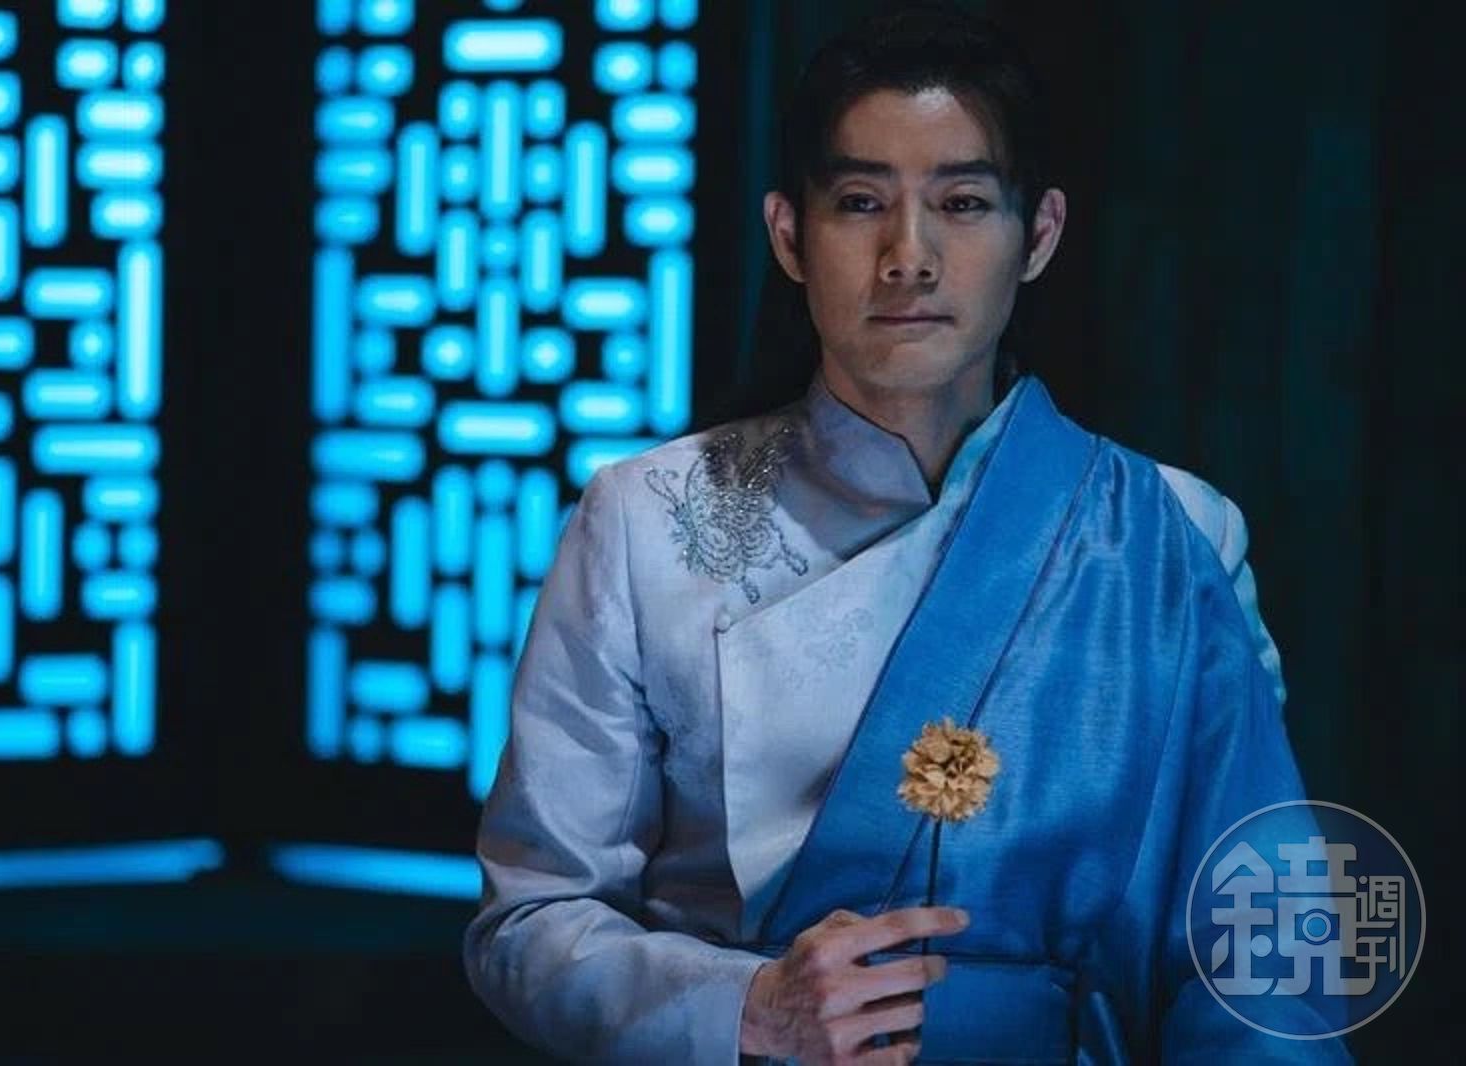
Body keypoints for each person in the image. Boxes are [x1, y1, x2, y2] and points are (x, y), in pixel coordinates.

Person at [465, 5, 1347, 1063]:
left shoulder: (1174, 536)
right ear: (789, 235)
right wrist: (751, 1007)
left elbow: (1259, 939)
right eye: (860, 203)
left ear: (1040, 234)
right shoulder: (643, 521)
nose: (908, 256)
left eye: (962, 204)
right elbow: (530, 921)